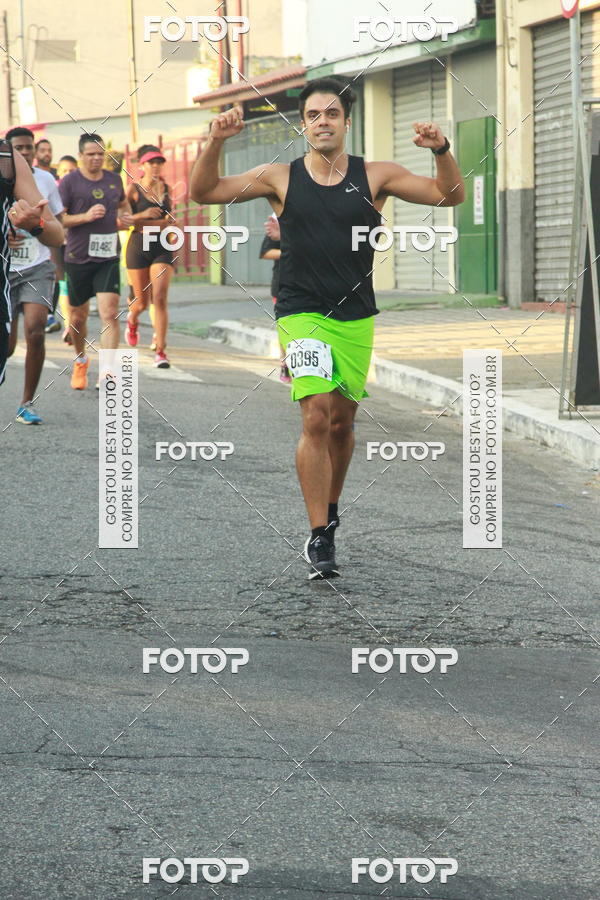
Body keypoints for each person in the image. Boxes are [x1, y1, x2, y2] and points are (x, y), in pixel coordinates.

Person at [190, 78, 465, 580]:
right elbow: (204, 191)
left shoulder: (376, 175)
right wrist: (216, 141)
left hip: (356, 315)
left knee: (342, 424)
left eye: (331, 114)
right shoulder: (280, 178)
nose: (322, 122)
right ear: (303, 124)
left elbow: (448, 196)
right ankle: (319, 535)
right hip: (300, 314)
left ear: (346, 122)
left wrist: (442, 150)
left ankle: (331, 508)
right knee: (315, 416)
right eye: (313, 115)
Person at [59, 132, 134, 390]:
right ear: (80, 156)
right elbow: (60, 220)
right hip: (77, 257)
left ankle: (108, 370)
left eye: (100, 154)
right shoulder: (69, 182)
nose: (96, 158)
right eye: (91, 154)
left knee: (110, 313)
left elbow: (124, 207)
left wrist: (126, 218)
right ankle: (80, 359)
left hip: (108, 256)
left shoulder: (114, 180)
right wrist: (86, 216)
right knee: (78, 318)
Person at [4, 127, 65, 423]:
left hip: (36, 266)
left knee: (36, 329)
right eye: (21, 147)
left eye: (29, 147)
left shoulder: (40, 178)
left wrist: (34, 224)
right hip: (7, 268)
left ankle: (27, 401)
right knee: (9, 344)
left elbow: (56, 228)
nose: (26, 152)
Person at [124, 147, 174, 368]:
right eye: (151, 162)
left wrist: (170, 225)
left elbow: (171, 219)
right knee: (141, 303)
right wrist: (142, 215)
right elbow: (122, 220)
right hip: (138, 246)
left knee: (160, 298)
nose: (155, 166)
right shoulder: (133, 191)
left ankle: (161, 351)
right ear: (142, 166)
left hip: (162, 246)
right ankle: (132, 319)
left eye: (159, 162)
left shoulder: (167, 189)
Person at [259, 213, 290, 383]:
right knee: (284, 326)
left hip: (315, 285)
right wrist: (291, 251)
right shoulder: (277, 217)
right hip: (282, 284)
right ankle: (285, 362)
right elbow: (265, 252)